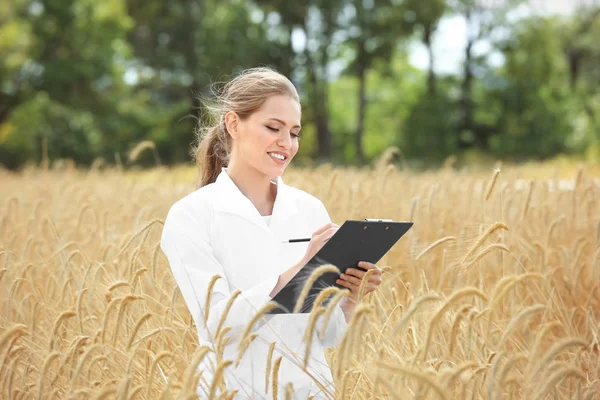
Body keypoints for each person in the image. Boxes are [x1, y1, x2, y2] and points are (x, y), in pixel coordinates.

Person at [160, 67, 383, 399]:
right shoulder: (191, 216)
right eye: (273, 127)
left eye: (294, 132)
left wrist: (349, 298)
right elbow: (216, 325)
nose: (286, 143)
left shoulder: (310, 210)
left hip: (310, 391)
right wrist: (298, 273)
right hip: (233, 391)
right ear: (233, 124)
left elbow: (323, 335)